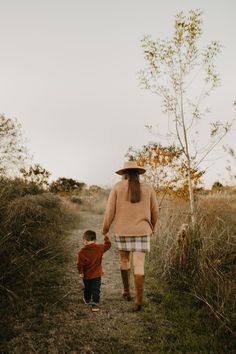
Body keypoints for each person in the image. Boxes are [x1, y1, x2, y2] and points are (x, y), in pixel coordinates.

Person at [102, 160, 158, 311]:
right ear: (139, 173)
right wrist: (152, 227)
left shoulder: (117, 187)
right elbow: (155, 211)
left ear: (124, 174)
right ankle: (138, 302)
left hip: (122, 230)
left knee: (124, 261)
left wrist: (105, 229)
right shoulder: (148, 188)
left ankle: (126, 292)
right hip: (142, 231)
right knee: (139, 265)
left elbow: (109, 211)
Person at [77, 229, 111, 312]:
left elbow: (79, 264)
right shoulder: (99, 247)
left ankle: (87, 298)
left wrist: (81, 272)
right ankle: (95, 304)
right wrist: (106, 237)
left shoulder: (81, 252)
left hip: (87, 275)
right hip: (97, 275)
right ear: (95, 241)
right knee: (96, 289)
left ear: (84, 241)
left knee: (87, 288)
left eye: (85, 241)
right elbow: (108, 245)